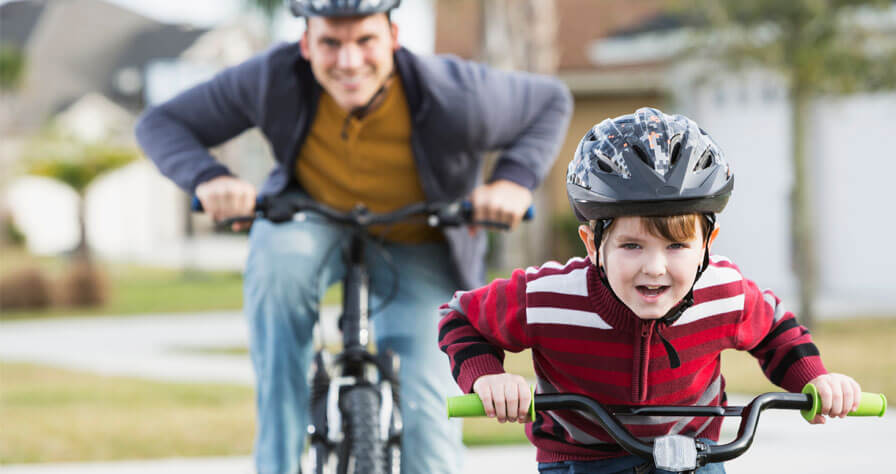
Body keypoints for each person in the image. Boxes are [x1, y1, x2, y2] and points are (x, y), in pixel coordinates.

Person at [135, 0, 572, 472]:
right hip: (311, 220)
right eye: (330, 42)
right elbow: (160, 123)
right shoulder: (272, 78)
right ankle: (277, 463)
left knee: (429, 416)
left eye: (365, 40)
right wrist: (208, 177)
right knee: (277, 271)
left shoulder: (455, 91)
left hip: (420, 236)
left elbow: (549, 102)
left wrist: (512, 180)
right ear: (305, 44)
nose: (348, 61)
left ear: (393, 37)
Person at [437, 107, 862, 473]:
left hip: (695, 454)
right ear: (593, 245)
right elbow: (460, 317)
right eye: (631, 246)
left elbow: (776, 331)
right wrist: (488, 377)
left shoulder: (725, 291)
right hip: (584, 461)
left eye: (677, 246)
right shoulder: (550, 297)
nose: (655, 268)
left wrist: (815, 379)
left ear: (707, 245)